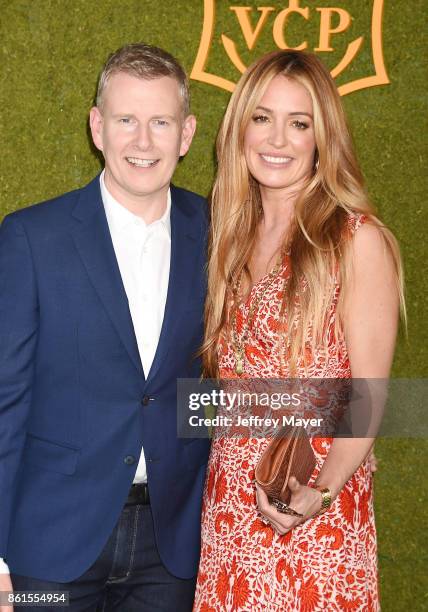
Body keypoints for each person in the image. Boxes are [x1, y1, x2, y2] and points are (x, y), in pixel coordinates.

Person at [0, 43, 210, 611]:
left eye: (160, 122)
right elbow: (5, 400)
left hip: (172, 551)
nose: (143, 142)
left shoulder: (223, 235)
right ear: (98, 127)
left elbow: (225, 384)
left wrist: (340, 425)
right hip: (48, 549)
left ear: (186, 134)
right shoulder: (30, 238)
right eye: (126, 121)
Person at [194, 50, 403, 611]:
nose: (277, 139)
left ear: (321, 139)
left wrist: (321, 490)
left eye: (299, 123)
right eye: (262, 118)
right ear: (240, 129)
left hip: (315, 513)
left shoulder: (355, 240)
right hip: (231, 509)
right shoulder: (229, 238)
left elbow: (370, 395)